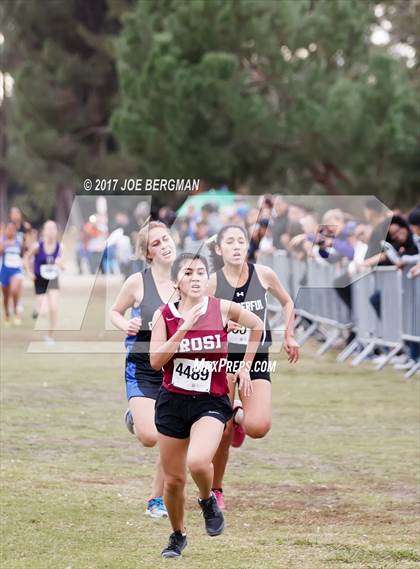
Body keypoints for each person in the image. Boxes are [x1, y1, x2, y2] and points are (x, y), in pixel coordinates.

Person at [150, 253, 263, 558]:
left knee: (199, 462)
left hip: (211, 401)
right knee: (173, 482)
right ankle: (177, 535)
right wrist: (184, 327)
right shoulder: (165, 316)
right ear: (178, 281)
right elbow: (156, 361)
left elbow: (257, 325)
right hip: (173, 402)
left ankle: (206, 499)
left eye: (201, 272)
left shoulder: (221, 308)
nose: (196, 277)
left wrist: (245, 366)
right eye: (189, 273)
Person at [207, 225, 299, 510]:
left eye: (241, 241)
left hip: (256, 356)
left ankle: (238, 413)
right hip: (223, 359)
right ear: (219, 249)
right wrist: (221, 324)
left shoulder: (264, 275)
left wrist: (289, 334)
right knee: (221, 432)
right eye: (230, 242)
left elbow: (287, 301)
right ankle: (216, 489)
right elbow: (198, 318)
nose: (236, 246)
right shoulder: (212, 282)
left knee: (259, 427)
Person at [110, 220, 177, 518]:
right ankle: (135, 417)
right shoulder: (138, 282)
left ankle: (156, 498)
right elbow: (114, 311)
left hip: (171, 369)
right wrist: (127, 323)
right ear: (148, 254)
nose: (164, 245)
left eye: (166, 239)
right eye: (156, 243)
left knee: (170, 434)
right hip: (140, 367)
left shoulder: (184, 283)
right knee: (149, 437)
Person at [24, 221, 63, 343]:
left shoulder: (60, 247)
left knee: (54, 308)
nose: (51, 231)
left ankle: (50, 336)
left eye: (53, 228)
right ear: (44, 231)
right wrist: (29, 273)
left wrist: (60, 264)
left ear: (56, 231)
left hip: (53, 280)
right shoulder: (37, 246)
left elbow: (63, 265)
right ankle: (37, 309)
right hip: (39, 280)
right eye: (48, 228)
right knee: (44, 311)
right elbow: (26, 258)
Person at [0, 222, 24, 326]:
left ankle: (15, 309)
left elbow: (23, 254)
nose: (10, 231)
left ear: (15, 231)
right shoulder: (2, 241)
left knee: (14, 290)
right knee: (5, 296)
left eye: (12, 229)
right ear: (5, 230)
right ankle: (6, 313)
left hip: (16, 270)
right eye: (8, 229)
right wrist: (4, 244)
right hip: (5, 271)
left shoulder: (19, 242)